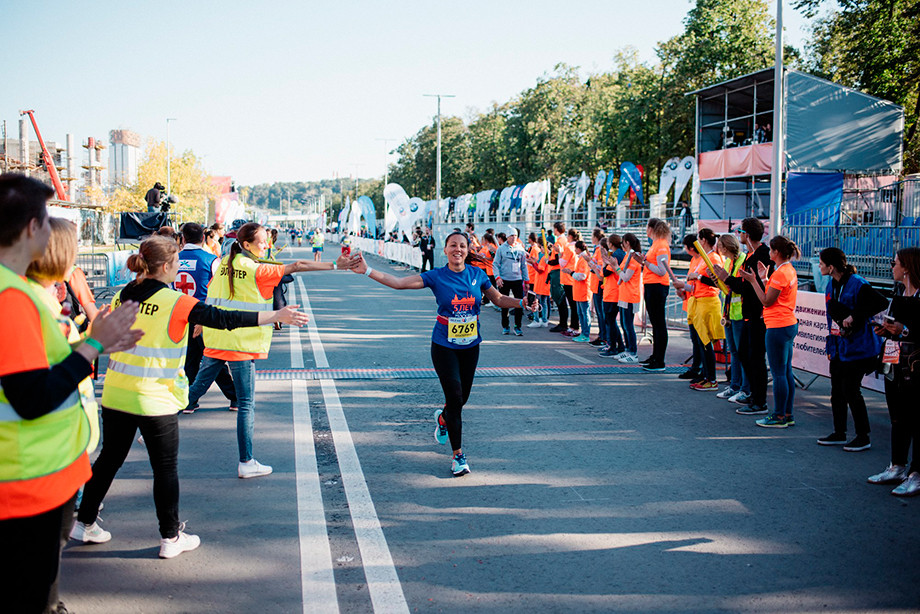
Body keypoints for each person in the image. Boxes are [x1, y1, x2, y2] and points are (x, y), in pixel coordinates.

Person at [72, 236, 310, 560]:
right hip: (154, 398)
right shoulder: (176, 302)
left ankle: (84, 522)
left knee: (109, 460)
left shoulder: (122, 296)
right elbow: (224, 318)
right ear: (169, 266)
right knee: (164, 469)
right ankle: (170, 536)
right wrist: (272, 316)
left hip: (116, 392)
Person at [0, 173, 142, 614]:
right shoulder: (12, 298)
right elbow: (31, 396)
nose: (51, 231)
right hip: (27, 483)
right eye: (46, 220)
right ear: (30, 228)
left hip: (36, 477)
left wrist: (94, 341)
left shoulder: (18, 291)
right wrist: (94, 345)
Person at [348, 231, 538, 477]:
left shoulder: (478, 275)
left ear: (468, 250)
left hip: (471, 346)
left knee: (461, 399)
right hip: (444, 346)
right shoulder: (437, 276)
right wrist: (367, 270)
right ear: (445, 250)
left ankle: (443, 419)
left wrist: (522, 303)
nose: (457, 249)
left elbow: (500, 299)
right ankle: (458, 456)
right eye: (452, 246)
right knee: (456, 398)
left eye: (462, 246)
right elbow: (398, 282)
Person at [184, 223, 356, 478]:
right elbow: (297, 266)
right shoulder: (257, 269)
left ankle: (153, 423)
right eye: (262, 241)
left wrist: (201, 321)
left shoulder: (223, 263)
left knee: (196, 389)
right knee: (245, 404)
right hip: (241, 342)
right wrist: (336, 266)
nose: (266, 245)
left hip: (216, 338)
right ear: (246, 245)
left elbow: (212, 296)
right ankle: (246, 462)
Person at [817, 248, 887, 451]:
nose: (819, 266)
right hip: (839, 346)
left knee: (851, 390)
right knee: (836, 391)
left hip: (859, 348)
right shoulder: (832, 284)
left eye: (821, 263)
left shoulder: (857, 282)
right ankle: (839, 433)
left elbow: (880, 302)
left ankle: (863, 436)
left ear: (831, 267)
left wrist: (854, 316)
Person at [868, 247, 920, 496]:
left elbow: (909, 329)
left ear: (907, 267)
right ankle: (897, 465)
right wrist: (886, 329)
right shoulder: (899, 292)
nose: (892, 266)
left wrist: (904, 330)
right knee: (897, 417)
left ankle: (916, 473)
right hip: (895, 362)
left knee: (915, 419)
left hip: (915, 365)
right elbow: (897, 327)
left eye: (895, 262)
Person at [175, 223, 238, 411]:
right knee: (212, 358)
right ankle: (234, 396)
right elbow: (221, 288)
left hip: (180, 314)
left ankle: (189, 400)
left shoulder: (172, 260)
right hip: (204, 314)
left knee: (192, 358)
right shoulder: (211, 260)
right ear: (203, 238)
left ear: (183, 239)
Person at [714, 217, 772, 415]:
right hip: (748, 314)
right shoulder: (750, 256)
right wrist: (726, 279)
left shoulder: (762, 255)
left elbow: (749, 287)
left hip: (759, 315)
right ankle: (752, 394)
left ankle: (759, 400)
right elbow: (744, 286)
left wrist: (727, 278)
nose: (739, 235)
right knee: (745, 355)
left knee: (755, 358)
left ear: (746, 234)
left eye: (741, 232)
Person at [740, 235, 800, 428]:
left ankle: (779, 415)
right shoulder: (786, 270)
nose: (769, 253)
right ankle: (786, 413)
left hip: (778, 325)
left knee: (779, 373)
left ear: (777, 252)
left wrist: (753, 281)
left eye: (772, 250)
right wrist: (765, 278)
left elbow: (766, 300)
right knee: (786, 371)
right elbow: (774, 294)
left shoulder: (782, 272)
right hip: (786, 323)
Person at [671, 228, 724, 391]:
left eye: (699, 240)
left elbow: (718, 282)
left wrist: (698, 277)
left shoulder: (714, 258)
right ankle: (706, 376)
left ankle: (711, 379)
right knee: (701, 342)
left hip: (707, 302)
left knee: (706, 342)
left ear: (703, 241)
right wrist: (686, 287)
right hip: (698, 301)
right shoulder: (704, 258)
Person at [713, 233, 751, 404]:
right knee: (734, 352)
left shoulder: (742, 259)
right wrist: (716, 279)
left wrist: (725, 279)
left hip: (740, 313)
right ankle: (735, 385)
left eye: (719, 245)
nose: (717, 248)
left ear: (725, 247)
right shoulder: (728, 262)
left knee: (741, 353)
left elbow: (739, 285)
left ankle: (744, 388)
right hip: (729, 312)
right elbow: (726, 285)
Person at [633, 219, 672, 372]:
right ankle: (655, 356)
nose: (646, 230)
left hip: (658, 286)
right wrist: (644, 262)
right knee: (656, 324)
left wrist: (645, 262)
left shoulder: (661, 245)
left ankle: (659, 359)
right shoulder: (656, 244)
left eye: (647, 227)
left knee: (659, 324)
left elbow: (662, 270)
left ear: (652, 228)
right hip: (652, 285)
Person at [493, 227, 529, 335]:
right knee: (504, 304)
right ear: (507, 237)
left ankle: (518, 326)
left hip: (517, 280)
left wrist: (526, 281)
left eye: (515, 236)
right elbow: (495, 264)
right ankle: (505, 326)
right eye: (512, 236)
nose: (514, 238)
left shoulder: (520, 249)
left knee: (520, 303)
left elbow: (524, 266)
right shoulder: (501, 249)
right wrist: (497, 277)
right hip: (504, 280)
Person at [616, 233, 643, 363]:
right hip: (624, 294)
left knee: (628, 325)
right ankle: (627, 350)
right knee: (624, 324)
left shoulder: (633, 258)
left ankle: (633, 352)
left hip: (630, 296)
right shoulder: (627, 256)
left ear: (627, 243)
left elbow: (626, 277)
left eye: (623, 242)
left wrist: (615, 267)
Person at [547, 222, 570, 333]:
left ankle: (563, 323)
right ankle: (563, 323)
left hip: (557, 271)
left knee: (559, 297)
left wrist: (549, 261)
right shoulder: (564, 240)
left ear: (556, 229)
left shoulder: (560, 241)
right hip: (560, 271)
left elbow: (557, 258)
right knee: (560, 298)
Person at [568, 241, 593, 343]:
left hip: (583, 291)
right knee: (581, 313)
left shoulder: (584, 259)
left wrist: (571, 273)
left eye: (576, 248)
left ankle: (585, 334)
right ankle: (583, 333)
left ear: (579, 249)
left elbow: (582, 276)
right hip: (579, 291)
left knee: (584, 313)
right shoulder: (581, 259)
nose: (574, 250)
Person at [526, 233, 551, 328]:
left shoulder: (545, 258)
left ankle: (537, 320)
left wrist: (533, 263)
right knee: (543, 302)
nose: (540, 249)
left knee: (536, 301)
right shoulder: (546, 257)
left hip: (541, 283)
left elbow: (540, 269)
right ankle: (544, 320)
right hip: (544, 283)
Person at [588, 229, 607, 347]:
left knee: (601, 313)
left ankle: (604, 337)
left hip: (600, 284)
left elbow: (600, 267)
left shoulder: (600, 250)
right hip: (596, 284)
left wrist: (592, 265)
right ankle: (602, 335)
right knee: (600, 312)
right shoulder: (596, 249)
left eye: (592, 236)